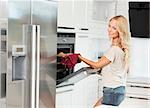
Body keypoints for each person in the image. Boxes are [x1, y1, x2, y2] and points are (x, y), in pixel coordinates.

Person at [59, 15, 130, 107]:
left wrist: (79, 57)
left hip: (112, 91)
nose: (109, 29)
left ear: (120, 31)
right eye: (109, 26)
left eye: (114, 28)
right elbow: (112, 69)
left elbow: (96, 65)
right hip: (116, 90)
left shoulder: (114, 50)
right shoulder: (120, 49)